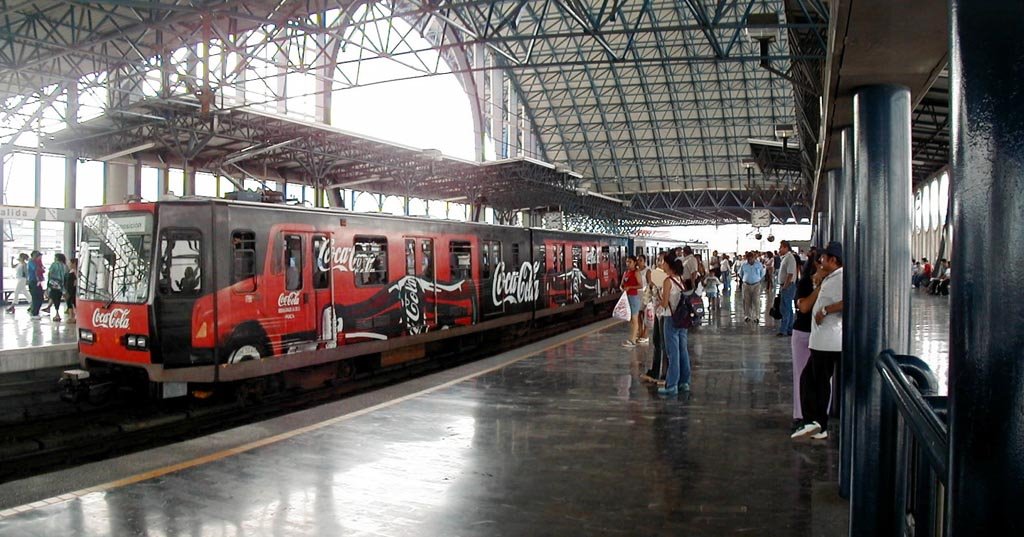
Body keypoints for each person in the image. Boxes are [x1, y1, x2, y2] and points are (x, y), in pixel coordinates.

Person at [792, 241, 844, 440]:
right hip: (823, 340)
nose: (819, 261)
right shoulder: (831, 277)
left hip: (829, 341)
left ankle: (817, 423)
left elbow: (850, 300)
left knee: (817, 381)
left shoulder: (840, 278)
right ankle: (815, 422)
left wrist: (825, 310)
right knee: (810, 380)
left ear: (833, 260)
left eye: (823, 258)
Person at [658, 256, 692, 395]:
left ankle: (672, 385)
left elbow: (665, 304)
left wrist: (657, 297)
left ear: (668, 265)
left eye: (663, 262)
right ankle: (684, 382)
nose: (662, 265)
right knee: (683, 351)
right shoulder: (681, 280)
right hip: (682, 320)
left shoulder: (668, 281)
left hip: (671, 319)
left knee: (673, 353)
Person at [790, 253, 815, 432]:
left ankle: (820, 414)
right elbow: (803, 306)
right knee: (801, 374)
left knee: (823, 378)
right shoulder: (805, 283)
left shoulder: (835, 283)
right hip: (804, 332)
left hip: (824, 335)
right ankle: (800, 414)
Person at [641, 252, 670, 384]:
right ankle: (655, 371)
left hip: (665, 314)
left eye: (661, 260)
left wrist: (654, 285)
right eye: (658, 260)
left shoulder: (667, 278)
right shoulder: (658, 276)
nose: (659, 263)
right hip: (659, 314)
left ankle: (665, 374)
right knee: (657, 342)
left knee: (664, 345)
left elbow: (663, 298)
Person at [776, 240, 797, 337]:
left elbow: (790, 274)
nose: (779, 249)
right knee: (787, 308)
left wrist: (785, 286)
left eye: (781, 247)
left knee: (786, 308)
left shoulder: (790, 258)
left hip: (788, 286)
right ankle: (789, 328)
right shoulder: (785, 258)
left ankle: (784, 330)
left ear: (786, 247)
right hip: (785, 285)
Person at [620, 256, 642, 348]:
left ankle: (633, 340)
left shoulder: (636, 272)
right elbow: (621, 284)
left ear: (634, 263)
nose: (628, 263)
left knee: (634, 318)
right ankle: (632, 337)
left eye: (630, 262)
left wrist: (630, 287)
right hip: (626, 297)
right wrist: (622, 288)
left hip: (634, 297)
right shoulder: (626, 272)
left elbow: (640, 285)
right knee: (630, 319)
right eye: (627, 262)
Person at [738, 252, 765, 323]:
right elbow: (740, 274)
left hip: (756, 285)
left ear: (754, 257)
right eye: (749, 258)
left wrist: (757, 279)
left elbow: (762, 273)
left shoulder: (758, 264)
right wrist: (746, 279)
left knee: (756, 300)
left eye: (751, 258)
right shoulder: (744, 265)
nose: (750, 260)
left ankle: (757, 317)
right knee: (746, 301)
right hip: (746, 285)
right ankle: (747, 316)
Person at [45, 253, 68, 322]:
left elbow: (50, 274)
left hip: (54, 284)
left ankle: (57, 313)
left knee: (54, 297)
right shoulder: (65, 266)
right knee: (58, 297)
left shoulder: (54, 264)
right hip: (62, 284)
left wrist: (48, 284)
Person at [635, 254, 651, 344]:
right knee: (638, 314)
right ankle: (640, 331)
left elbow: (650, 283)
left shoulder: (647, 271)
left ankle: (645, 334)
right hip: (637, 294)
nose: (639, 262)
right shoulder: (636, 271)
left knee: (646, 315)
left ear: (644, 261)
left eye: (641, 260)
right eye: (638, 260)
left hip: (645, 294)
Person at [26, 250, 44, 320]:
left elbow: (41, 269)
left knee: (40, 297)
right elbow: (36, 269)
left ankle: (35, 311)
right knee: (36, 297)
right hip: (33, 281)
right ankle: (34, 313)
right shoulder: (31, 262)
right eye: (38, 256)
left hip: (38, 281)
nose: (39, 258)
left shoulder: (37, 262)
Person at [65, 258, 78, 323]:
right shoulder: (73, 272)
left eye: (70, 263)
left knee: (72, 303)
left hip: (72, 290)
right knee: (70, 303)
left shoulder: (74, 273)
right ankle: (72, 317)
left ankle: (74, 317)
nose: (69, 264)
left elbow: (73, 282)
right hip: (71, 289)